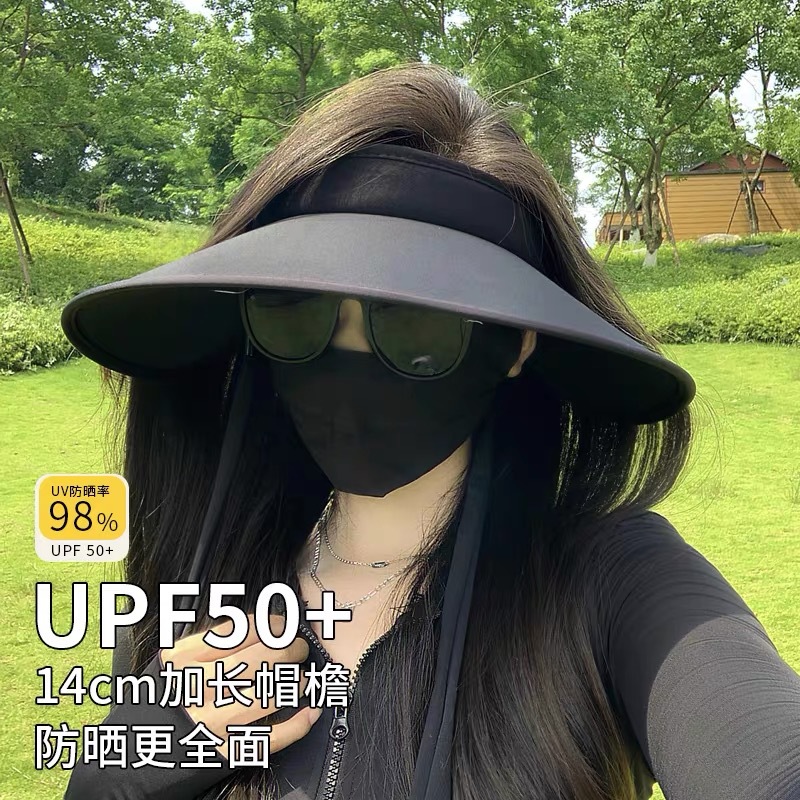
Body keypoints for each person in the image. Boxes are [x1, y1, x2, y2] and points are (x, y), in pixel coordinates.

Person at [60, 64, 800, 800]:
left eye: (415, 326)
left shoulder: (608, 579)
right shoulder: (202, 588)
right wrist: (113, 781)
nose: (347, 365)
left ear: (516, 344)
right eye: (297, 314)